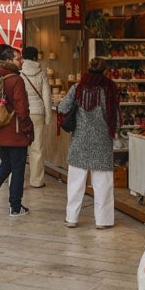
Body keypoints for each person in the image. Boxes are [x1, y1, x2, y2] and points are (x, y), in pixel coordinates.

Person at [57, 57, 120, 228]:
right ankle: (103, 221)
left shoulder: (78, 88)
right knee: (103, 184)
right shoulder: (109, 89)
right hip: (102, 140)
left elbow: (62, 108)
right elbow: (114, 116)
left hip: (80, 140)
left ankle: (72, 218)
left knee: (75, 183)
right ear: (105, 71)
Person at [0, 44, 34, 217]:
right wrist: (28, 128)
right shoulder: (16, 79)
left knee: (5, 165)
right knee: (18, 168)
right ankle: (15, 206)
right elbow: (22, 109)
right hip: (16, 132)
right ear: (8, 61)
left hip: (0, 129)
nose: (21, 62)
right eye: (18, 59)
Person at [19, 46, 50, 188]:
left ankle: (16, 179)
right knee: (37, 147)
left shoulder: (19, 73)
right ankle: (37, 181)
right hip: (37, 113)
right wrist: (48, 117)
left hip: (22, 113)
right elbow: (47, 97)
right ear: (35, 57)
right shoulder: (42, 74)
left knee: (18, 146)